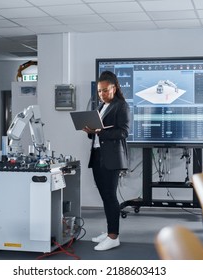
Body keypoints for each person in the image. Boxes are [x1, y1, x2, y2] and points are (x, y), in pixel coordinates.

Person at [82, 70, 130, 251]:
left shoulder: (121, 106)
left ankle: (113, 236)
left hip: (111, 158)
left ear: (114, 88)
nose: (102, 94)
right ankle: (110, 231)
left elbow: (123, 132)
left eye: (105, 90)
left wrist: (99, 132)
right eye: (99, 91)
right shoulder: (101, 107)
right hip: (97, 155)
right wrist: (90, 132)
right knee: (104, 196)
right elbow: (97, 135)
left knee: (110, 196)